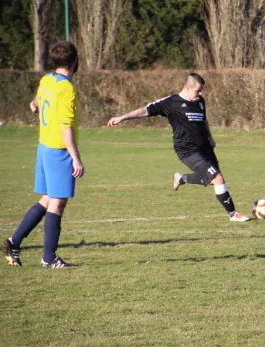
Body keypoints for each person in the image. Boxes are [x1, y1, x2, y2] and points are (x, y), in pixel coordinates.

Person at [107, 73, 250, 222]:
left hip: (205, 148)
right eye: (198, 90)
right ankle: (233, 214)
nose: (201, 93)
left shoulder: (200, 101)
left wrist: (210, 138)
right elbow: (145, 110)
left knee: (213, 179)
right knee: (217, 178)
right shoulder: (171, 102)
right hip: (187, 150)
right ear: (188, 88)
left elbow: (203, 121)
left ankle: (181, 178)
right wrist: (122, 117)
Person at [3, 41, 84, 268]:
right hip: (58, 150)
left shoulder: (47, 79)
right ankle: (49, 258)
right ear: (75, 61)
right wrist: (75, 157)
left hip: (44, 147)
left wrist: (35, 105)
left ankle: (14, 241)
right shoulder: (67, 88)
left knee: (47, 199)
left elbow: (35, 102)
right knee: (57, 204)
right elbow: (65, 126)